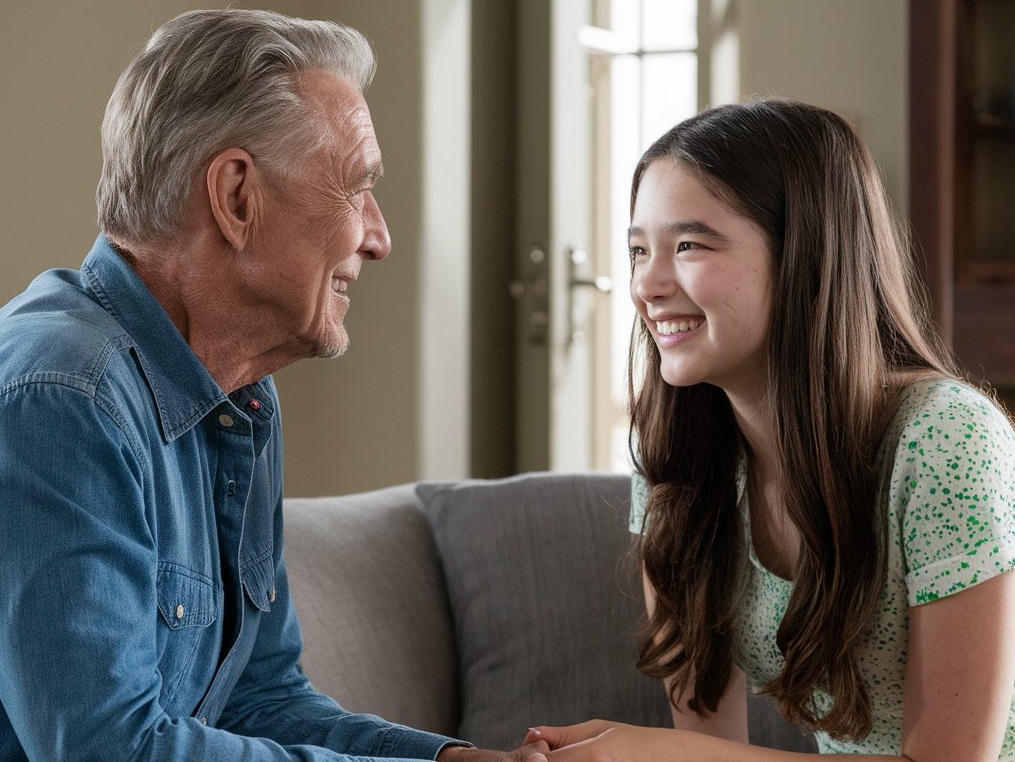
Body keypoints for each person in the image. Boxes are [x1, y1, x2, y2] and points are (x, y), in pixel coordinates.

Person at [0, 9, 549, 762]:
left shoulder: (242, 396)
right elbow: (106, 750)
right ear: (235, 197)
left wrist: (458, 761)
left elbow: (260, 698)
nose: (378, 237)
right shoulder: (62, 397)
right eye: (356, 188)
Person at [523, 99, 1015, 760]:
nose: (646, 283)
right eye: (638, 249)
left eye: (688, 245)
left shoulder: (946, 440)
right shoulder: (674, 459)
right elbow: (707, 746)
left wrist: (647, 753)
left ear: (804, 256)